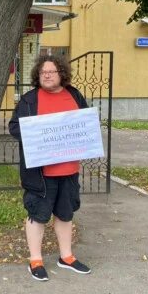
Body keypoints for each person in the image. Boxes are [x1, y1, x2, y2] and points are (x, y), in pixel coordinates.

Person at [9, 54, 91, 281]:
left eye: (51, 71)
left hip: (69, 169)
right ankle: (35, 260)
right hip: (40, 173)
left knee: (65, 214)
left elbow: (85, 124)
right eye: (43, 72)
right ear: (38, 75)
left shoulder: (74, 94)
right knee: (38, 214)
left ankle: (66, 257)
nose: (46, 75)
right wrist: (39, 133)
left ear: (61, 74)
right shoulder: (29, 100)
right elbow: (14, 128)